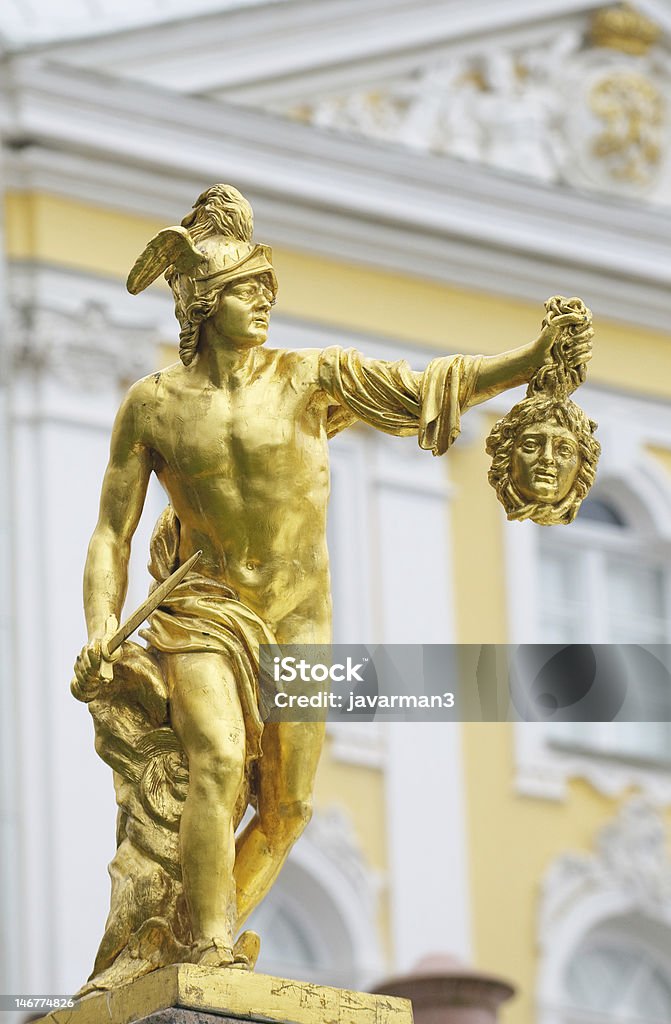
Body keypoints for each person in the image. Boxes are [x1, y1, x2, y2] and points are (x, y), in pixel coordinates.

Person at [73, 183, 593, 974]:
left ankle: (176, 943)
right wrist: (101, 625)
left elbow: (429, 389)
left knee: (285, 809)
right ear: (204, 305)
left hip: (298, 623)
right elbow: (113, 531)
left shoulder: (310, 379)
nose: (263, 304)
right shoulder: (153, 406)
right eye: (246, 291)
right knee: (214, 757)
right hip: (205, 612)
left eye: (265, 289)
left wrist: (531, 361)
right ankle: (211, 949)